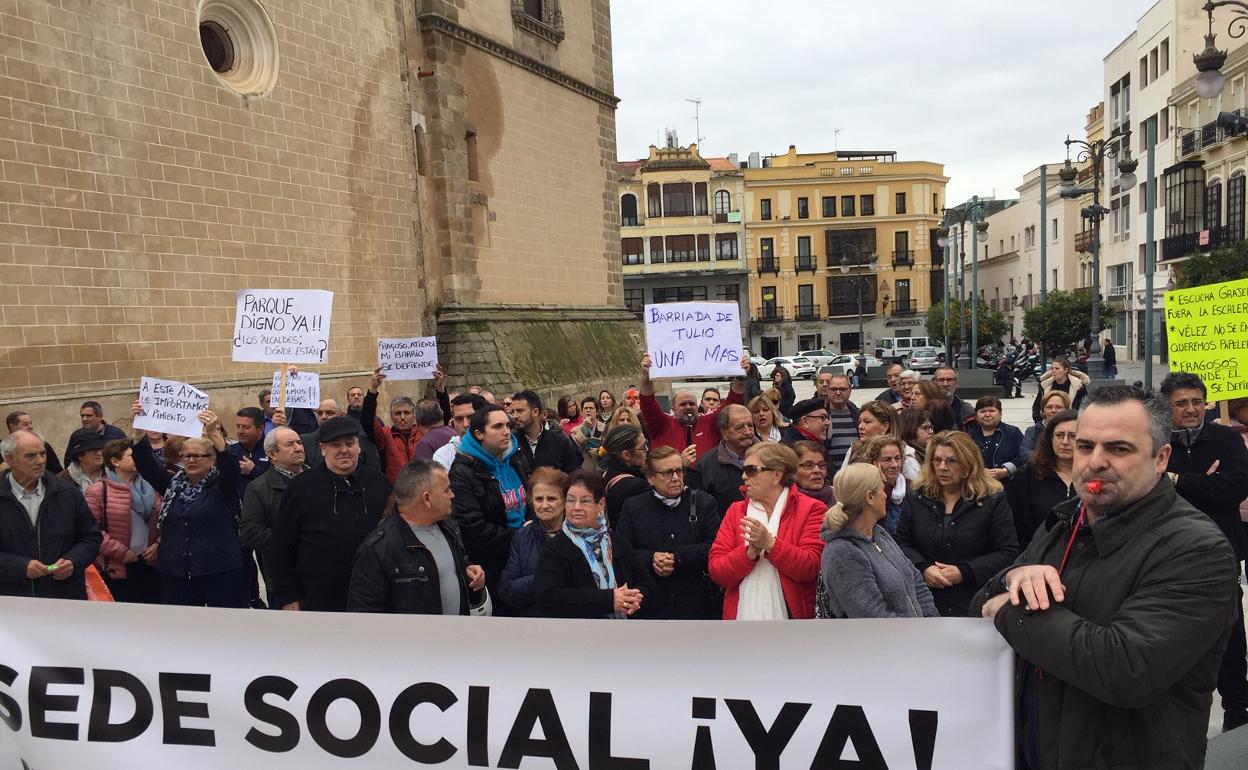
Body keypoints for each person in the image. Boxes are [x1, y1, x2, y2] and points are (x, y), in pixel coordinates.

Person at [972, 386, 1239, 769]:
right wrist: (1016, 576)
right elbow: (981, 601)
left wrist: (1010, 610)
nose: (1095, 462)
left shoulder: (1197, 550)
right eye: (1085, 446)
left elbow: (1125, 668)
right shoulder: (1066, 520)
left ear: (1160, 457)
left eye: (1119, 448)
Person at [1161, 372, 1248, 731]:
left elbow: (1234, 488)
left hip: (1222, 553)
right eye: (1182, 403)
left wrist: (1178, 480)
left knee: (1230, 637)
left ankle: (1238, 710)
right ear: (1167, 407)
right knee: (1175, 639)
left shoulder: (1225, 437)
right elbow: (1148, 490)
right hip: (1170, 557)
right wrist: (1207, 482)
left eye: (1198, 401)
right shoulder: (1155, 440)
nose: (1192, 409)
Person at [269, 416, 392, 612]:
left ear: (359, 446)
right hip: (320, 597)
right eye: (336, 445)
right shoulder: (301, 488)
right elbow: (282, 546)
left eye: (349, 443)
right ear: (323, 449)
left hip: (374, 595)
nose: (344, 450)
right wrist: (289, 594)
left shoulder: (379, 484)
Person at [895, 430, 1018, 617]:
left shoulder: (991, 499)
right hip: (925, 601)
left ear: (968, 465)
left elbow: (1007, 552)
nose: (942, 467)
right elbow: (901, 543)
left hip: (973, 601)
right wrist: (923, 568)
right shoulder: (918, 496)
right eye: (937, 460)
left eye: (952, 461)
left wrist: (965, 572)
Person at [132, 412, 248, 607]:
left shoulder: (221, 486)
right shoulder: (173, 485)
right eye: (187, 456)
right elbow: (147, 466)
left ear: (211, 460)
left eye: (197, 456)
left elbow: (231, 469)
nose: (191, 460)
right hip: (177, 573)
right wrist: (138, 431)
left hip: (218, 572)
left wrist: (215, 436)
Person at [347, 460, 485, 615]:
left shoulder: (447, 529)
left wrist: (467, 570)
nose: (452, 495)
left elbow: (439, 568)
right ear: (427, 499)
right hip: (412, 639)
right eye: (447, 490)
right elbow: (365, 615)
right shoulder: (378, 550)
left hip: (454, 636)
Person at [708, 442, 826, 620]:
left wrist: (770, 544)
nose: (743, 476)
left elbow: (810, 568)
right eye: (744, 470)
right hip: (741, 624)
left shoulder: (812, 509)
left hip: (793, 625)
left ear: (777, 475)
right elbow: (717, 571)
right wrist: (749, 553)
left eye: (751, 470)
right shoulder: (735, 511)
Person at [817, 463, 938, 619]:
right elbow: (872, 616)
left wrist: (930, 622)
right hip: (888, 641)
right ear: (870, 497)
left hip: (915, 637)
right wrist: (914, 634)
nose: (885, 495)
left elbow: (916, 581)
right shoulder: (842, 553)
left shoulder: (880, 534)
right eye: (882, 488)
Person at [617, 447, 722, 619]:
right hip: (649, 607)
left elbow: (715, 547)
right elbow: (622, 554)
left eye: (679, 471)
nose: (675, 478)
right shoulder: (633, 507)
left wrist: (676, 557)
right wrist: (652, 558)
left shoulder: (704, 502)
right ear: (650, 477)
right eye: (667, 473)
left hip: (695, 606)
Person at [534, 469, 653, 619]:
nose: (576, 507)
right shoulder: (556, 548)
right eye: (570, 500)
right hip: (578, 633)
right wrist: (608, 599)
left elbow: (646, 582)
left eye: (585, 501)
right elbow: (548, 597)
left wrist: (633, 598)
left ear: (601, 504)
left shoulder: (616, 542)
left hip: (623, 632)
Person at [0, 429, 100, 599]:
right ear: (10, 459)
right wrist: (21, 567)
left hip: (63, 596)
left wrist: (73, 562)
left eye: (42, 453)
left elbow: (91, 537)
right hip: (12, 600)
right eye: (30, 456)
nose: (40, 461)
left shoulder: (67, 493)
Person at [449, 404, 528, 610]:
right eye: (498, 426)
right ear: (479, 434)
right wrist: (519, 537)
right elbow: (473, 526)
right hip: (492, 564)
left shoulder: (515, 457)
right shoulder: (463, 471)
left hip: (522, 556)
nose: (506, 431)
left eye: (508, 425)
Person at [84, 439, 161, 603]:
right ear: (115, 461)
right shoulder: (98, 491)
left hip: (150, 563)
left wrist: (158, 545)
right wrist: (122, 552)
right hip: (118, 567)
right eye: (132, 456)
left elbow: (166, 520)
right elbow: (92, 530)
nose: (138, 459)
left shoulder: (151, 486)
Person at [239, 426, 306, 608]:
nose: (299, 448)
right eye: (289, 444)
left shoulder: (319, 479)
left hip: (321, 578)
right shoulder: (258, 488)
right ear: (272, 454)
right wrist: (295, 536)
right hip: (283, 580)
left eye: (299, 443)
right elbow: (250, 534)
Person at [638, 353, 747, 459]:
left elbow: (732, 404)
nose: (688, 407)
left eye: (692, 403)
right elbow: (648, 404)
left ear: (698, 405)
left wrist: (740, 378)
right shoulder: (661, 424)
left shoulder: (710, 422)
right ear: (673, 408)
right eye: (683, 404)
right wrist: (647, 376)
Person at [497, 467, 568, 616]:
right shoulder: (522, 537)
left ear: (564, 500)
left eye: (552, 498)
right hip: (535, 623)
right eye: (539, 499)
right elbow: (507, 590)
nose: (544, 505)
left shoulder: (580, 535)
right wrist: (543, 579)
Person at [1006, 410, 1077, 549]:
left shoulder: (1095, 475)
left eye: (1073, 436)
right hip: (1038, 556)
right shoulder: (1027, 476)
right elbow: (1012, 527)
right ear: (1050, 438)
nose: (1065, 441)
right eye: (1059, 435)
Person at [361, 367, 424, 483]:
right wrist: (372, 391)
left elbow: (442, 421)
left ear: (414, 415)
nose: (403, 417)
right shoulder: (385, 434)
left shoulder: (423, 432)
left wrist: (440, 389)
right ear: (391, 416)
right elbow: (367, 421)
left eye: (407, 413)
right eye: (398, 413)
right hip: (395, 492)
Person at [692, 404, 756, 516]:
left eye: (750, 425)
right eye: (740, 427)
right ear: (724, 433)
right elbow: (702, 511)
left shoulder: (771, 457)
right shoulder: (706, 466)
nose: (747, 432)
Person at [511, 390, 581, 476]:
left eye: (519, 411)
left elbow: (574, 475)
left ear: (535, 412)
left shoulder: (559, 440)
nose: (514, 416)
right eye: (512, 412)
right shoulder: (510, 443)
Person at [966, 396, 1025, 483]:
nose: (987, 415)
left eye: (992, 411)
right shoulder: (968, 436)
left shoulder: (1013, 432)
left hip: (1009, 485)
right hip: (978, 485)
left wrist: (1006, 470)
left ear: (1000, 414)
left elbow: (1024, 457)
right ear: (976, 415)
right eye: (982, 411)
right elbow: (963, 460)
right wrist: (979, 471)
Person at [857, 435, 909, 533]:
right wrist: (883, 485)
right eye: (887, 460)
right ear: (874, 463)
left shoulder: (910, 488)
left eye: (897, 458)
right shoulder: (867, 494)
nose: (894, 465)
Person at [601, 425, 650, 527]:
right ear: (626, 455)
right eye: (643, 446)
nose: (647, 450)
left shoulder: (605, 475)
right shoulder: (637, 487)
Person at [432, 393, 486, 471]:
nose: (466, 424)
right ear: (453, 421)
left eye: (471, 417)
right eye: (459, 419)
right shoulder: (444, 455)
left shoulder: (498, 448)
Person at [817, 371, 859, 468]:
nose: (838, 393)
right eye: (834, 389)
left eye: (843, 389)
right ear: (828, 391)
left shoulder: (859, 416)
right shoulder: (819, 416)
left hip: (855, 477)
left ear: (850, 390)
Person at [1031, 356, 1090, 422]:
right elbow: (1037, 406)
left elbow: (1085, 406)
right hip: (1049, 423)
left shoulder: (1078, 386)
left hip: (1071, 422)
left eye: (1057, 368)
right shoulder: (1045, 385)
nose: (1053, 371)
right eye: (1052, 368)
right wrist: (1039, 421)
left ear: (1065, 370)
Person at [1020, 391, 1070, 464]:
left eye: (1059, 407)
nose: (1054, 410)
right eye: (1049, 407)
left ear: (1067, 410)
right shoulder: (1032, 431)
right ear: (1042, 412)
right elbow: (1025, 455)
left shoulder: (1075, 431)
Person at [791, 440, 835, 507]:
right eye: (808, 465)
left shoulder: (840, 498)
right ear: (792, 470)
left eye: (821, 465)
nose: (817, 470)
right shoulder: (784, 501)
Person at [569, 396, 607, 470]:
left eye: (591, 408)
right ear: (582, 412)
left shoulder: (605, 428)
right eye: (586, 408)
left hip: (601, 469)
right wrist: (584, 429)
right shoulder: (575, 430)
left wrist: (600, 451)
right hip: (585, 470)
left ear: (597, 411)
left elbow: (609, 449)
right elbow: (575, 450)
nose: (588, 410)